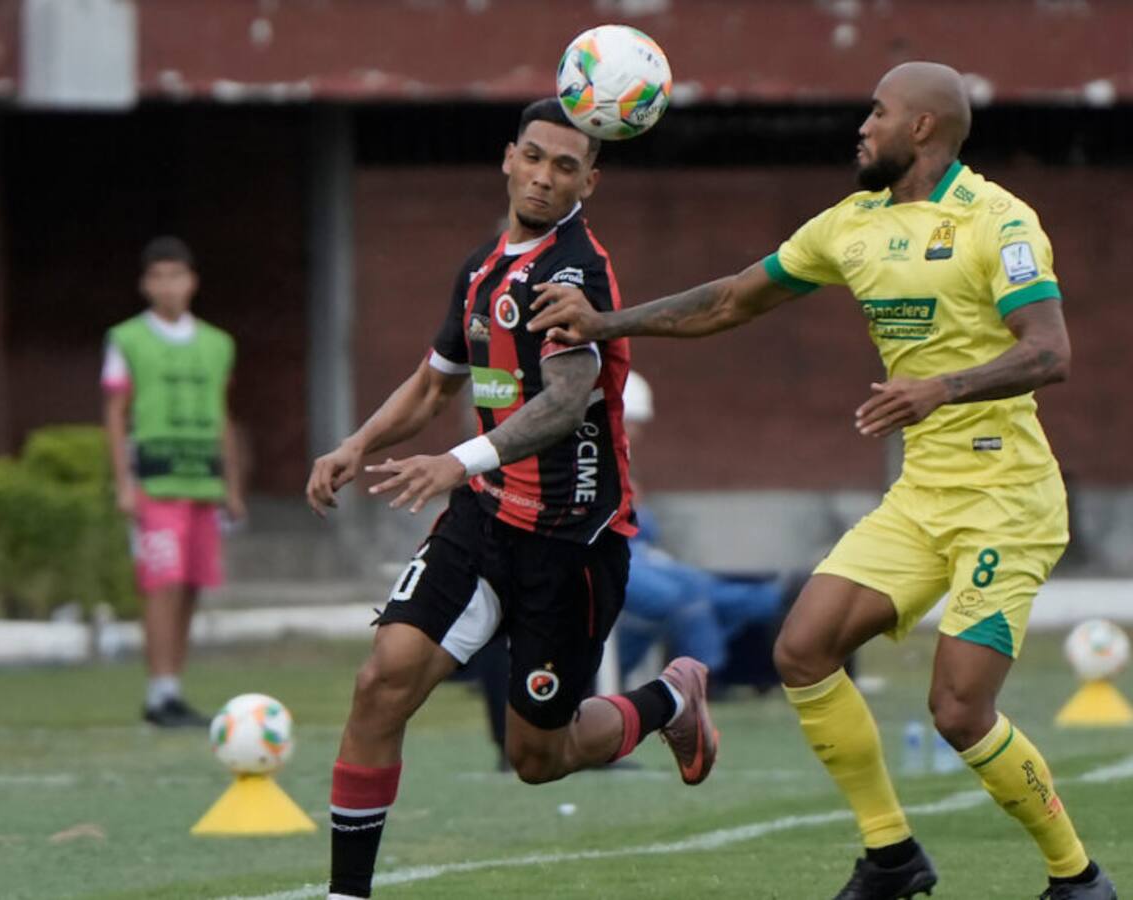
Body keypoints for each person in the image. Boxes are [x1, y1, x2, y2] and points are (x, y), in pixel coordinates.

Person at [528, 62, 1115, 900]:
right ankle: (891, 857)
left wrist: (938, 388)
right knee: (801, 651)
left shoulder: (998, 219)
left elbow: (1050, 350)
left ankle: (1077, 878)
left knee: (957, 712)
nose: (862, 127)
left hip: (1007, 501)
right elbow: (732, 299)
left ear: (922, 127)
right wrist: (606, 322)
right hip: (924, 497)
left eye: (877, 113)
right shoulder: (851, 225)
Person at [305, 98, 719, 900]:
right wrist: (358, 445)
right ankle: (345, 895)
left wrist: (458, 461)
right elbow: (436, 383)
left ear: (589, 181)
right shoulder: (482, 267)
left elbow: (566, 401)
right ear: (508, 157)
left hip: (570, 542)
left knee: (540, 759)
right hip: (486, 519)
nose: (544, 175)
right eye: (534, 156)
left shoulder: (575, 273)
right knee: (381, 681)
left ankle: (671, 697)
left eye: (566, 166)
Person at [102, 236, 243, 727]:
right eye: (158, 276)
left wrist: (233, 485)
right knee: (160, 584)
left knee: (190, 586)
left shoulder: (218, 343)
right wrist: (125, 482)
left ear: (193, 282)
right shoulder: (126, 339)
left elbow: (223, 416)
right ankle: (158, 692)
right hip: (156, 483)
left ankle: (174, 688)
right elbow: (116, 415)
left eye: (177, 275)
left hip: (203, 482)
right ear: (145, 284)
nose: (169, 286)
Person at [618, 371, 785, 683]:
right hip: (612, 561)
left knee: (702, 587)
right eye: (630, 422)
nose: (636, 432)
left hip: (639, 557)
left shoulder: (624, 467)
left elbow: (646, 534)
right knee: (681, 595)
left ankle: (779, 602)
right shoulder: (590, 466)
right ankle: (706, 678)